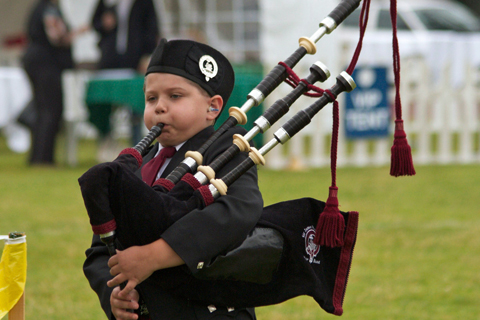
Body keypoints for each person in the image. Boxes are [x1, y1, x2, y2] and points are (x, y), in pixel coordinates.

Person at [82, 39, 263, 320]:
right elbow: (100, 247)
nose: (159, 107)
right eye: (151, 98)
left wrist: (152, 257)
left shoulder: (228, 151)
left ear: (213, 108)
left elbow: (236, 212)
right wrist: (113, 296)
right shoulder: (135, 167)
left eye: (175, 96)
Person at [89, 0, 160, 158]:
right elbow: (95, 23)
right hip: (109, 61)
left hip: (134, 61)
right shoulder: (107, 3)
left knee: (134, 103)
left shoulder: (145, 3)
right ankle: (106, 139)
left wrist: (147, 56)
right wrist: (103, 24)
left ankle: (137, 146)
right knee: (104, 101)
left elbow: (151, 29)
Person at [21, 0, 84, 166]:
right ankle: (44, 158)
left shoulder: (39, 7)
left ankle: (37, 157)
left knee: (42, 110)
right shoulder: (49, 9)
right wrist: (74, 35)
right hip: (46, 63)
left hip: (35, 60)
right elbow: (57, 36)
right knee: (51, 110)